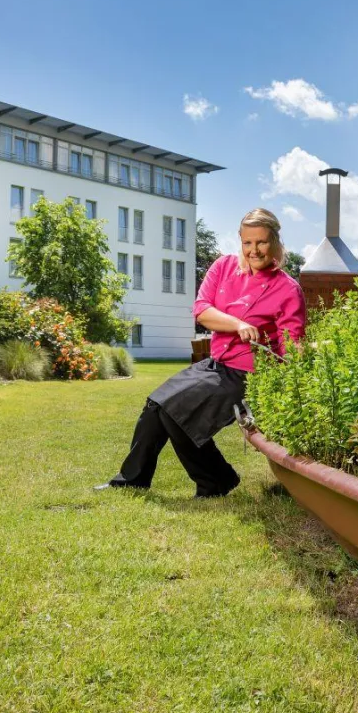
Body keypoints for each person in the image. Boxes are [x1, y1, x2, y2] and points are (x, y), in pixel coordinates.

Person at [96, 208, 307, 497]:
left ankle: (215, 480)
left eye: (261, 242)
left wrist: (297, 372)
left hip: (247, 374)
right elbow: (202, 311)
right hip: (217, 364)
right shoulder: (224, 267)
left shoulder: (287, 289)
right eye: (248, 243)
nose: (254, 250)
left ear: (275, 242)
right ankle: (133, 480)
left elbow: (290, 347)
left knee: (175, 414)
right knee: (156, 406)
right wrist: (238, 324)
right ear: (240, 242)